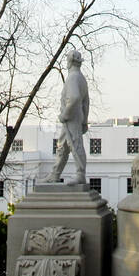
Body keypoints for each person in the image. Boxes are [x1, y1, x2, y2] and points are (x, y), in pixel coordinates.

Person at [48, 49, 89, 184]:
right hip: (76, 117)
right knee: (62, 147)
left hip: (71, 117)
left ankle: (80, 173)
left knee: (76, 145)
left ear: (70, 61)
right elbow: (86, 102)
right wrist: (85, 121)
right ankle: (55, 174)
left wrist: (65, 115)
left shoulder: (73, 77)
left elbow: (75, 98)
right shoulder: (81, 78)